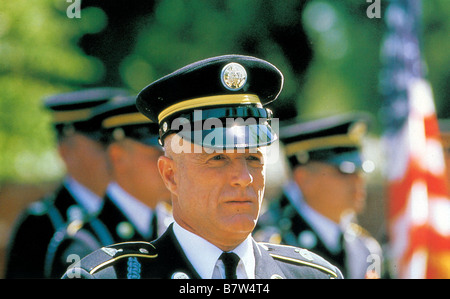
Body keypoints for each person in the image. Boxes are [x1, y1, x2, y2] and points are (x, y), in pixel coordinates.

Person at [63, 54, 343, 279]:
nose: (244, 178)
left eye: (253, 159)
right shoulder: (110, 275)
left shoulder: (313, 275)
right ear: (170, 175)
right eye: (218, 159)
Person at [4, 87, 129, 278]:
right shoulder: (41, 225)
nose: (114, 151)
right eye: (103, 141)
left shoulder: (130, 212)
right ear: (65, 151)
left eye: (120, 141)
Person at [45, 96, 173, 278]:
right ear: (118, 156)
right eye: (157, 155)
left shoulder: (172, 228)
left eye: (173, 155)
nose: (170, 165)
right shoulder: (84, 242)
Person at [254, 112, 383, 278]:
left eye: (359, 171)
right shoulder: (271, 244)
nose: (358, 180)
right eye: (344, 172)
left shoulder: (365, 247)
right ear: (303, 178)